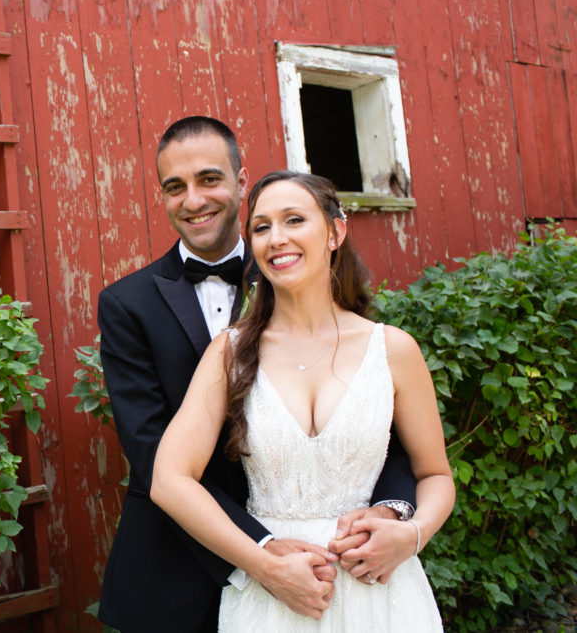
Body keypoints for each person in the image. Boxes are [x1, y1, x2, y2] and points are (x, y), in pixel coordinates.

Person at [96, 117, 419, 633]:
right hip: (176, 568)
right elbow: (155, 453)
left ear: (242, 181)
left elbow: (377, 420)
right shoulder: (126, 305)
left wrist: (392, 511)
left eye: (209, 179)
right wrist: (263, 552)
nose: (194, 200)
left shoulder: (295, 265)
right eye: (174, 187)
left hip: (327, 569)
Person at [151, 170, 456, 631]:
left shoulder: (392, 349)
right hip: (274, 597)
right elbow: (169, 481)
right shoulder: (229, 353)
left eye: (294, 220)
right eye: (261, 227)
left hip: (382, 594)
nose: (277, 238)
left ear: (335, 231)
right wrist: (263, 565)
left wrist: (411, 536)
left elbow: (434, 474)